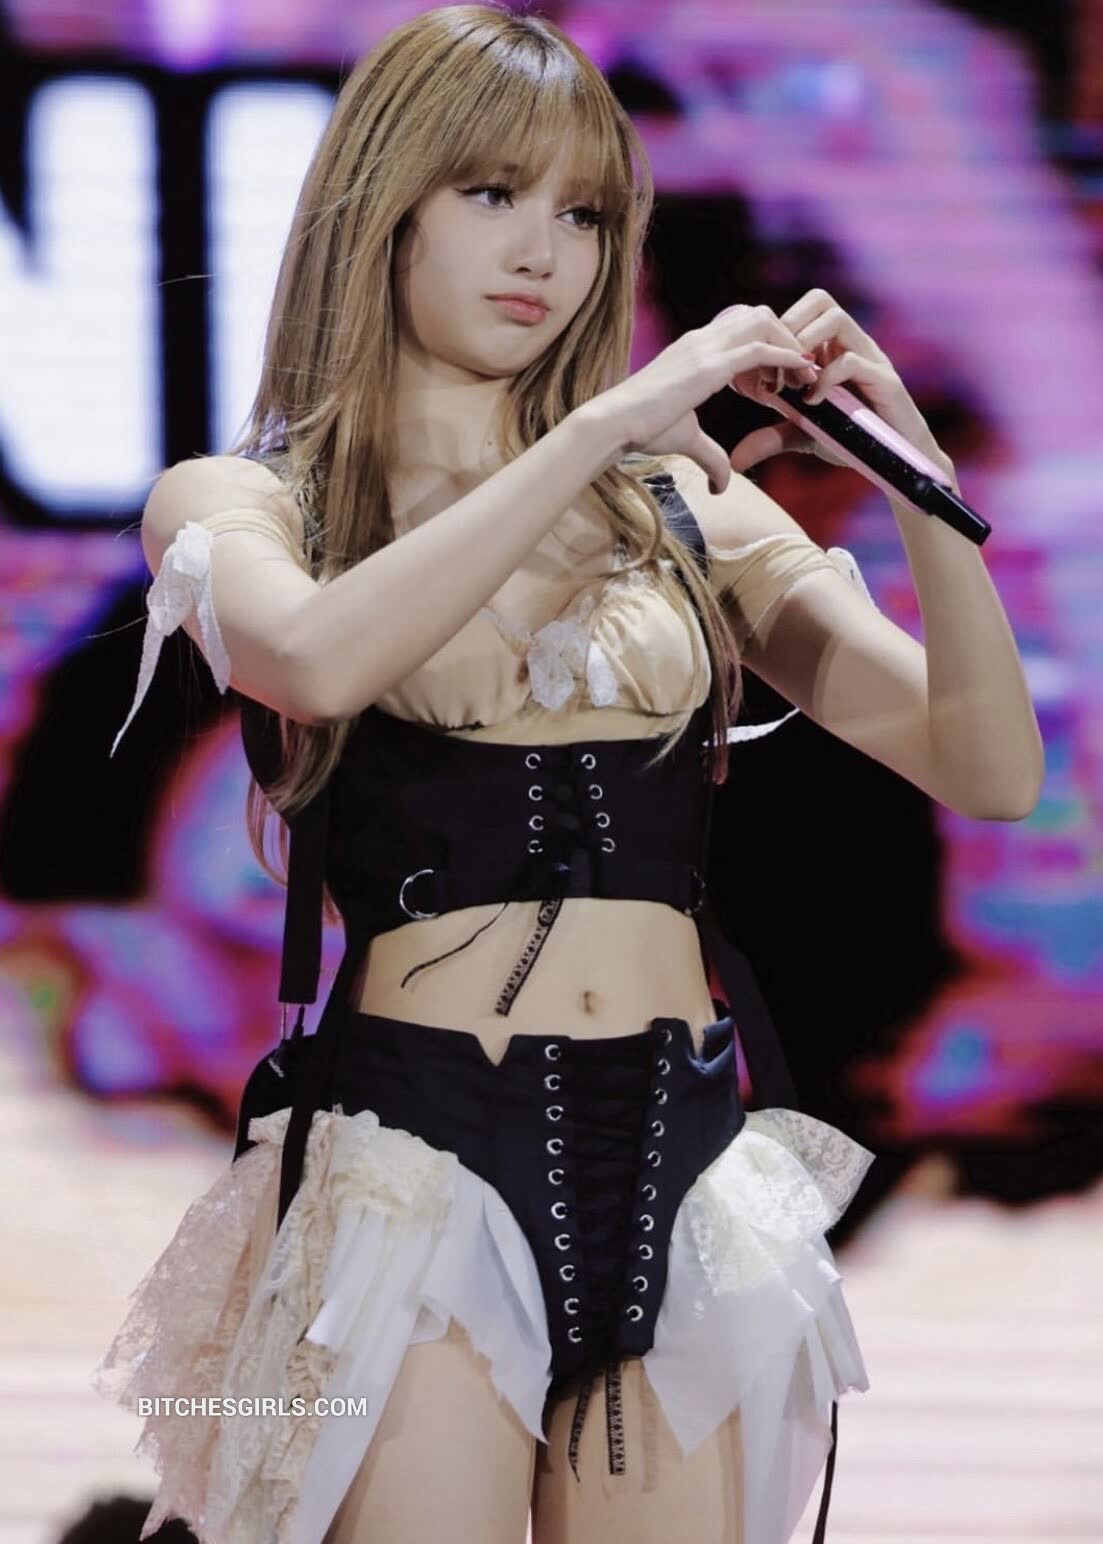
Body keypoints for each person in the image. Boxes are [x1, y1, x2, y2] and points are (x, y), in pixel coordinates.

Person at [90, 7, 1044, 1544]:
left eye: (587, 214)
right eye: (493, 194)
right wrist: (606, 420)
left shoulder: (682, 506)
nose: (545, 250)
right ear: (384, 207)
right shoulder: (249, 501)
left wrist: (921, 487)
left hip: (683, 1145)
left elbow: (985, 766)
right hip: (420, 1157)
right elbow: (316, 663)